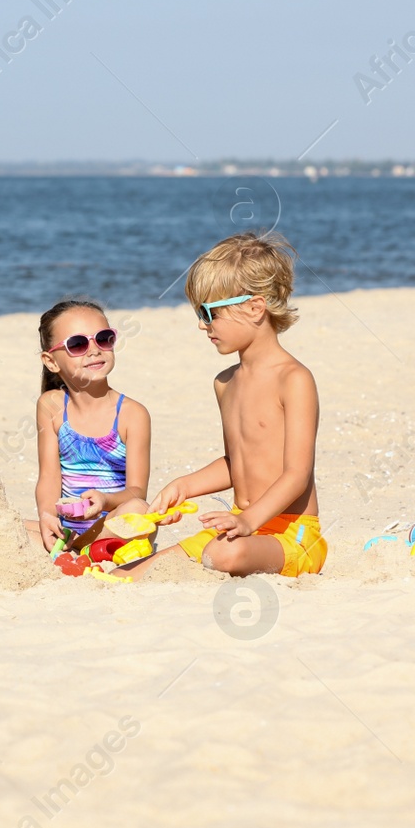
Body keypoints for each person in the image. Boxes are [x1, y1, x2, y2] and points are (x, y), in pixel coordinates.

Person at [133, 233, 325, 578]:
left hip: (292, 534)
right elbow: (238, 462)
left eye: (210, 312)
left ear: (254, 307)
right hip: (240, 528)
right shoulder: (225, 382)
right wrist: (185, 485)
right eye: (199, 313)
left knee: (222, 556)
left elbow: (297, 474)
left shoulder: (294, 379)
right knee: (135, 572)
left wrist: (248, 520)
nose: (203, 324)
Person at [25, 299, 151, 552]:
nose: (94, 350)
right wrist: (47, 515)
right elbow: (49, 476)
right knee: (3, 524)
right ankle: (80, 550)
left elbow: (137, 492)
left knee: (139, 511)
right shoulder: (51, 405)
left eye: (103, 338)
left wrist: (105, 500)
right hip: (67, 528)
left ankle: (91, 550)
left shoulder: (132, 414)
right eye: (78, 344)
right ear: (51, 362)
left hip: (110, 522)